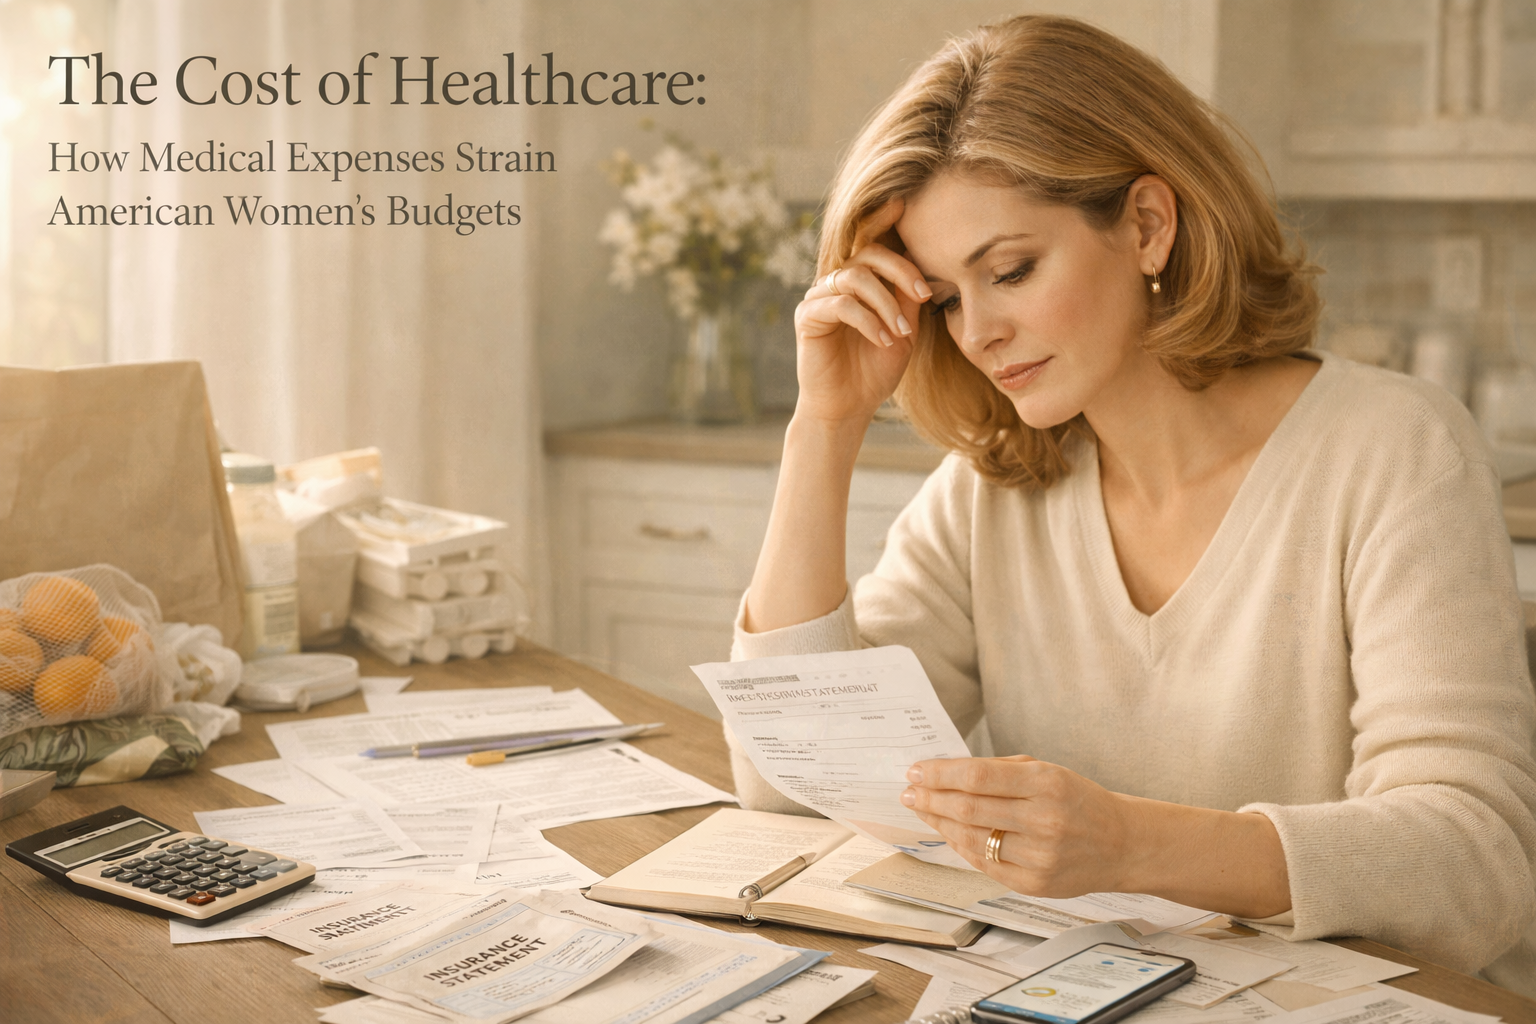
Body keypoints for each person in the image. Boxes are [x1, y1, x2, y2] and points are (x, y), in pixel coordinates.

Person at [725, 14, 1536, 993]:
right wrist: (825, 426)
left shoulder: (1394, 449)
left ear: (1148, 224)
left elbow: (1474, 861)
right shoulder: (996, 485)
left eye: (1011, 269)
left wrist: (1131, 842)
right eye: (943, 296)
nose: (976, 332)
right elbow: (785, 781)